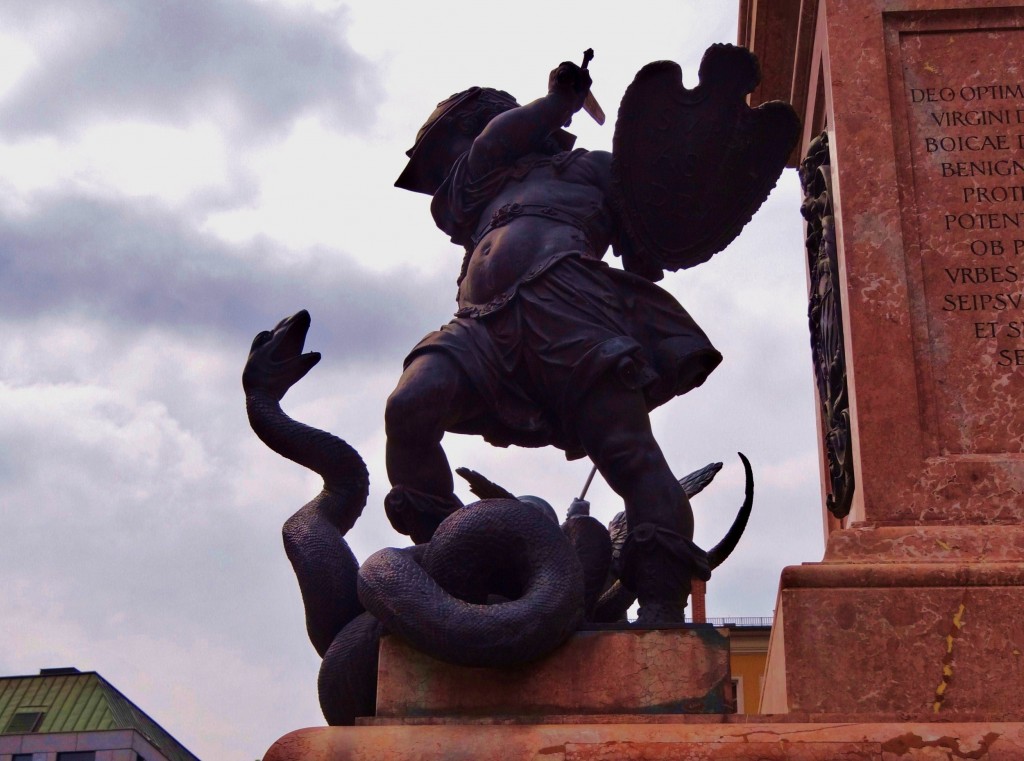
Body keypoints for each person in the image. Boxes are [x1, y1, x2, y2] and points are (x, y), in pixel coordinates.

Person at [387, 62, 722, 623]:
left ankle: (662, 607)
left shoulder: (595, 170)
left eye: (451, 146)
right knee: (410, 405)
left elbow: (652, 244)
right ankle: (458, 560)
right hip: (481, 327)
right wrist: (557, 102)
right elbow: (495, 142)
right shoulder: (474, 187)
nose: (447, 166)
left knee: (629, 454)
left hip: (569, 307)